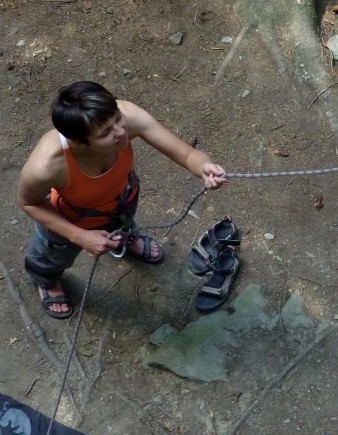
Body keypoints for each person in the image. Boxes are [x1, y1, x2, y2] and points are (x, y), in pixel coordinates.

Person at [17, 81, 227, 319]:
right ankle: (46, 280)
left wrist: (204, 168)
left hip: (122, 198)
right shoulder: (47, 165)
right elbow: (29, 202)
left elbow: (187, 154)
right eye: (105, 132)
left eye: (117, 118)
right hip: (71, 216)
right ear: (79, 142)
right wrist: (80, 236)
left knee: (125, 225)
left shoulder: (128, 117)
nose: (120, 131)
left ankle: (125, 241)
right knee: (53, 254)